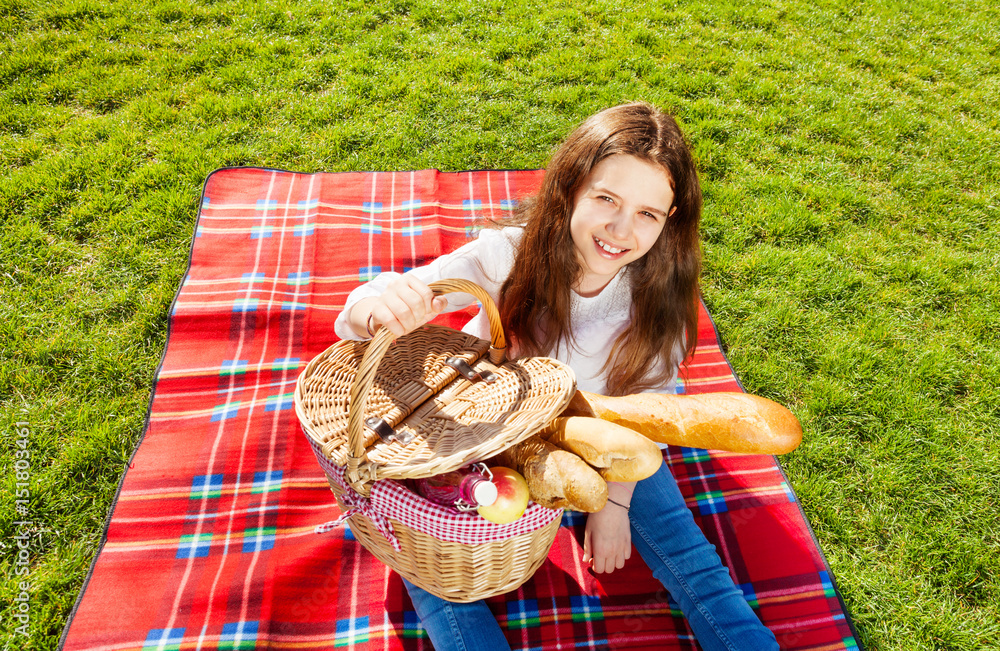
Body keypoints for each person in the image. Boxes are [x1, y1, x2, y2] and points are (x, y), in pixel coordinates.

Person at [333, 102, 778, 651]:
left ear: (670, 220)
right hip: (488, 431)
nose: (620, 229)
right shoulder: (510, 255)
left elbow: (646, 416)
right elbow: (367, 309)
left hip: (595, 436)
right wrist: (380, 308)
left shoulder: (660, 302)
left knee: (694, 565)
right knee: (436, 570)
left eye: (648, 214)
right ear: (570, 188)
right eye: (606, 198)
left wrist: (615, 506)